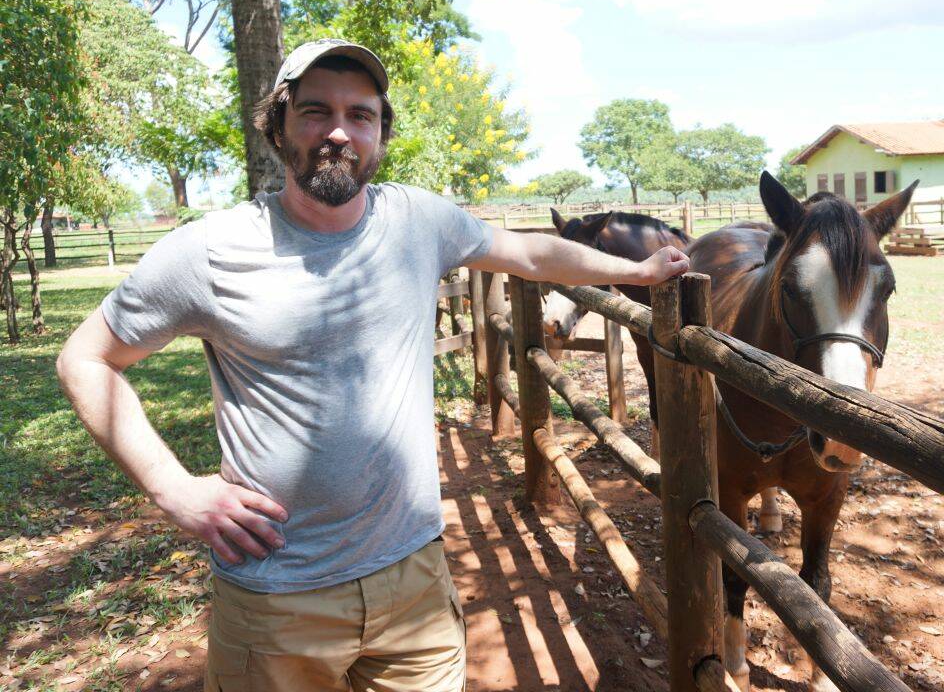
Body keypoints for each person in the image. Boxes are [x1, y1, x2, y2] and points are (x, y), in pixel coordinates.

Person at [55, 38, 690, 692]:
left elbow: (528, 253)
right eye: (314, 112)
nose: (338, 131)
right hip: (277, 602)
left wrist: (635, 270)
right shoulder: (211, 252)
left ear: (381, 134)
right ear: (277, 126)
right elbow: (86, 358)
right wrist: (173, 487)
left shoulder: (419, 222)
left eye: (360, 114)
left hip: (413, 583)